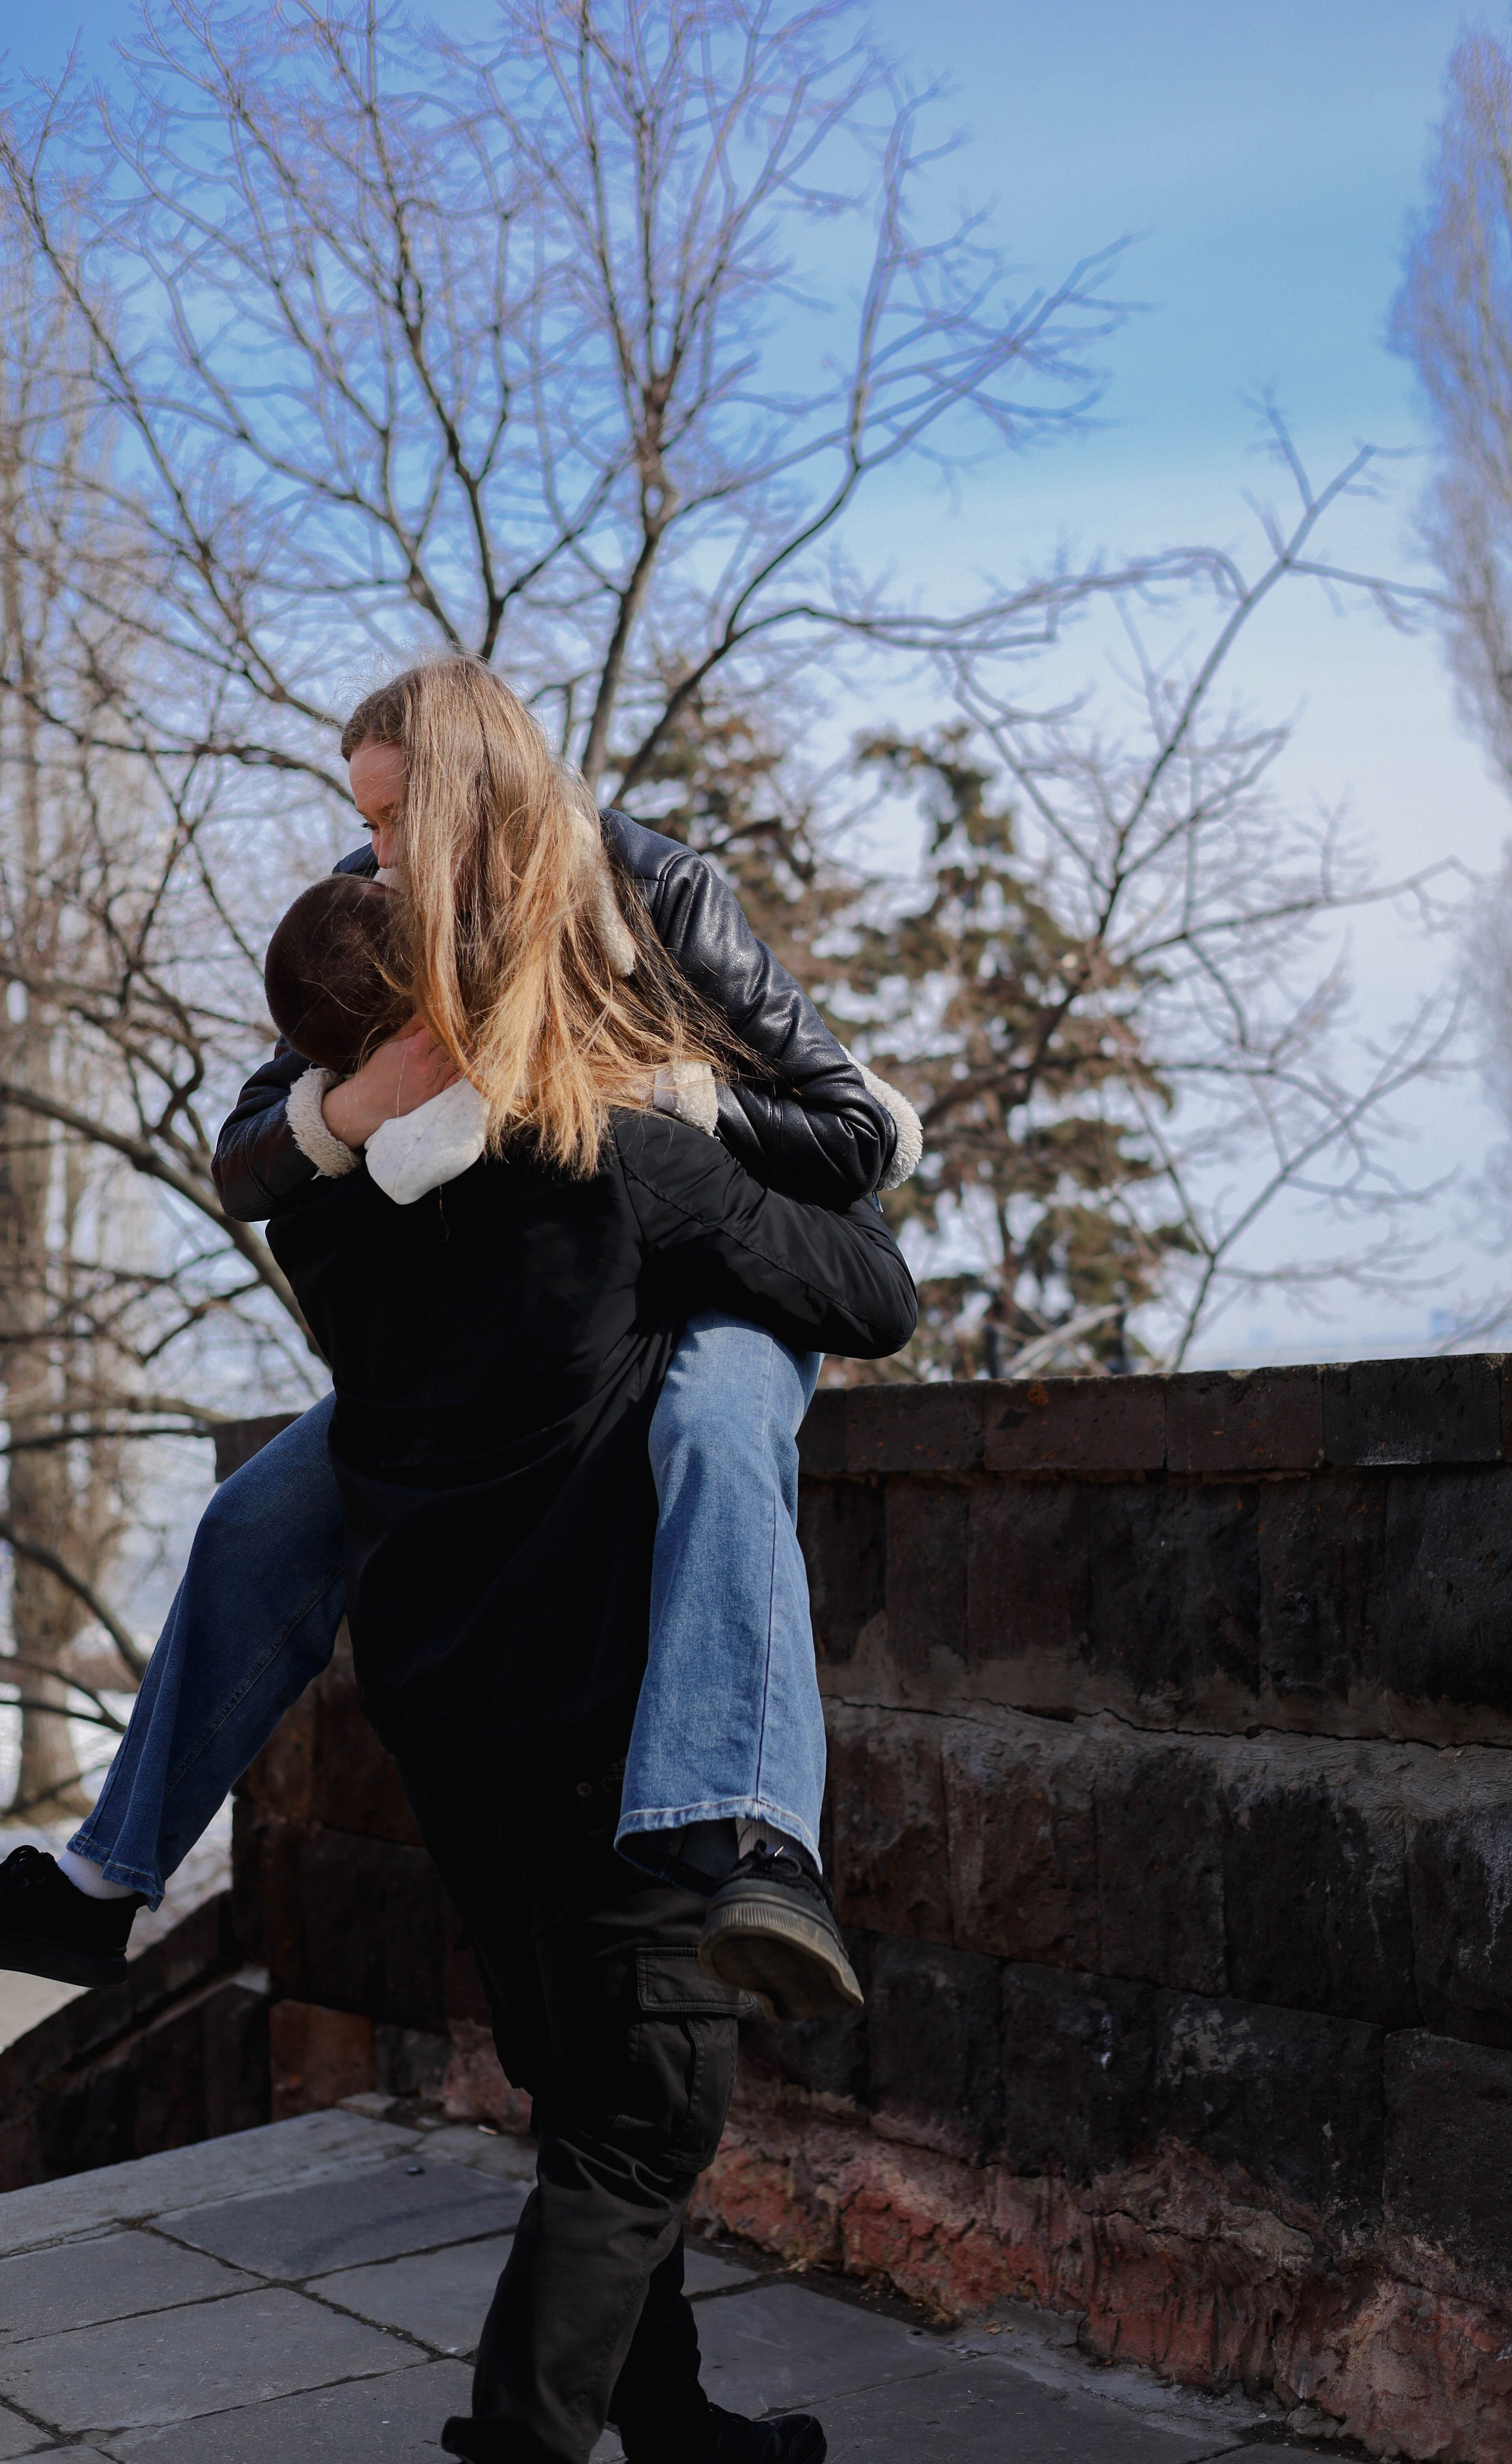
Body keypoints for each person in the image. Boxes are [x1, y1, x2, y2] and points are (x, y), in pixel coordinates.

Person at [0, 661, 919, 2021]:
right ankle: (105, 1877)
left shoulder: (655, 892)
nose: (367, 850)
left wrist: (657, 1098)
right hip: (559, 1308)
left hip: (734, 1271)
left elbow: (856, 1135)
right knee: (260, 1516)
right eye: (362, 819)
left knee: (712, 1434)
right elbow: (248, 1167)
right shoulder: (378, 913)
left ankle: (754, 1842)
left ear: (474, 794)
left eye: (387, 818)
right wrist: (363, 1099)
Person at [249, 678, 917, 2461]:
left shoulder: (325, 1206)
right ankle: (520, 2445)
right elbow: (879, 1293)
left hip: (447, 1709)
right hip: (615, 1716)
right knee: (646, 2116)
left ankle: (678, 2429)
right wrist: (688, 1138)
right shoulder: (624, 1161)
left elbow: (280, 1147)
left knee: (575, 2091)